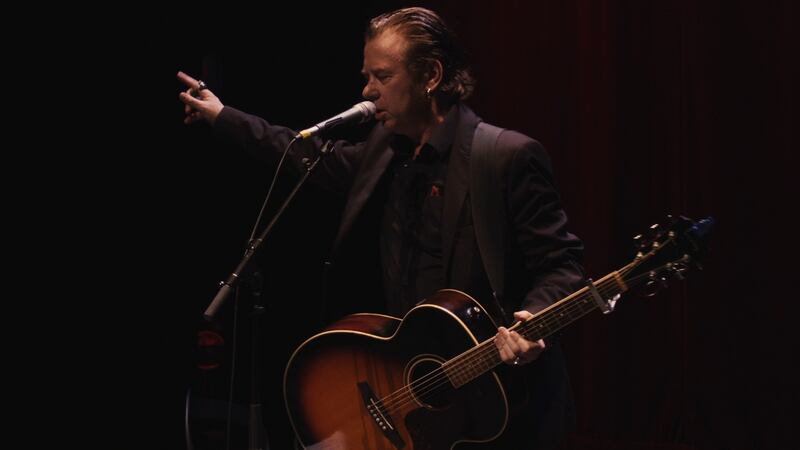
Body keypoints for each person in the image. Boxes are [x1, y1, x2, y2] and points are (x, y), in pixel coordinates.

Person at [178, 7, 584, 449]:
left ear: (430, 75)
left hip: (500, 398)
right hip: (417, 393)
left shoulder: (505, 157)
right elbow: (298, 155)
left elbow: (560, 266)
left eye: (382, 77)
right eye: (366, 76)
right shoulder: (385, 153)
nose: (367, 91)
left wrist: (534, 322)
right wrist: (222, 115)